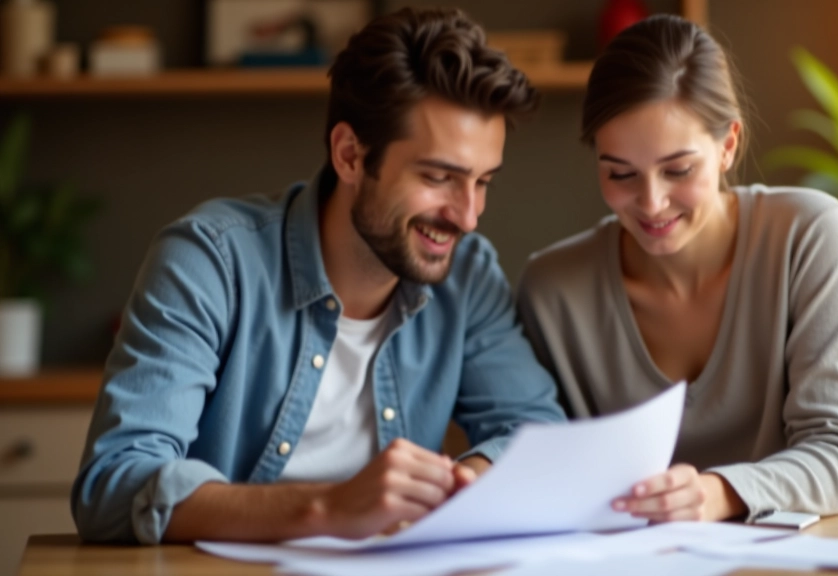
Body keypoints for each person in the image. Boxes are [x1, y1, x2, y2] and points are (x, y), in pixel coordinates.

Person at [72, 7, 566, 544]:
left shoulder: (467, 278)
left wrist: (464, 484)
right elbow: (113, 486)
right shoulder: (209, 261)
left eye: (483, 181)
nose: (468, 215)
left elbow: (538, 437)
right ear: (350, 155)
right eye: (438, 177)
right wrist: (329, 507)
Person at [517, 14, 838, 524]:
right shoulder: (552, 292)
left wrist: (717, 494)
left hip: (824, 551)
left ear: (728, 145)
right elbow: (544, 467)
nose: (651, 202)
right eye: (620, 173)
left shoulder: (810, 237)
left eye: (678, 170)